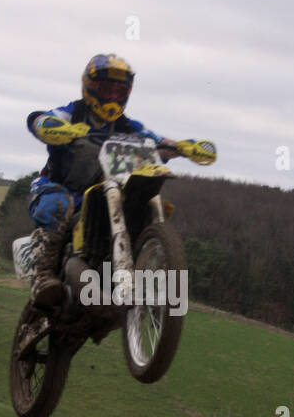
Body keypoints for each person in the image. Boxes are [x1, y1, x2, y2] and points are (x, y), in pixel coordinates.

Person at [25, 53, 179, 306]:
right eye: (107, 89)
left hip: (100, 194)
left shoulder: (127, 126)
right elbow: (39, 118)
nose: (112, 97)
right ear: (91, 87)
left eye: (120, 92)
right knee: (59, 203)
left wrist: (182, 146)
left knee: (136, 204)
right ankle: (43, 276)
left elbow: (155, 139)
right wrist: (46, 125)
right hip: (57, 188)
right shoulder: (72, 113)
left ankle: (133, 270)